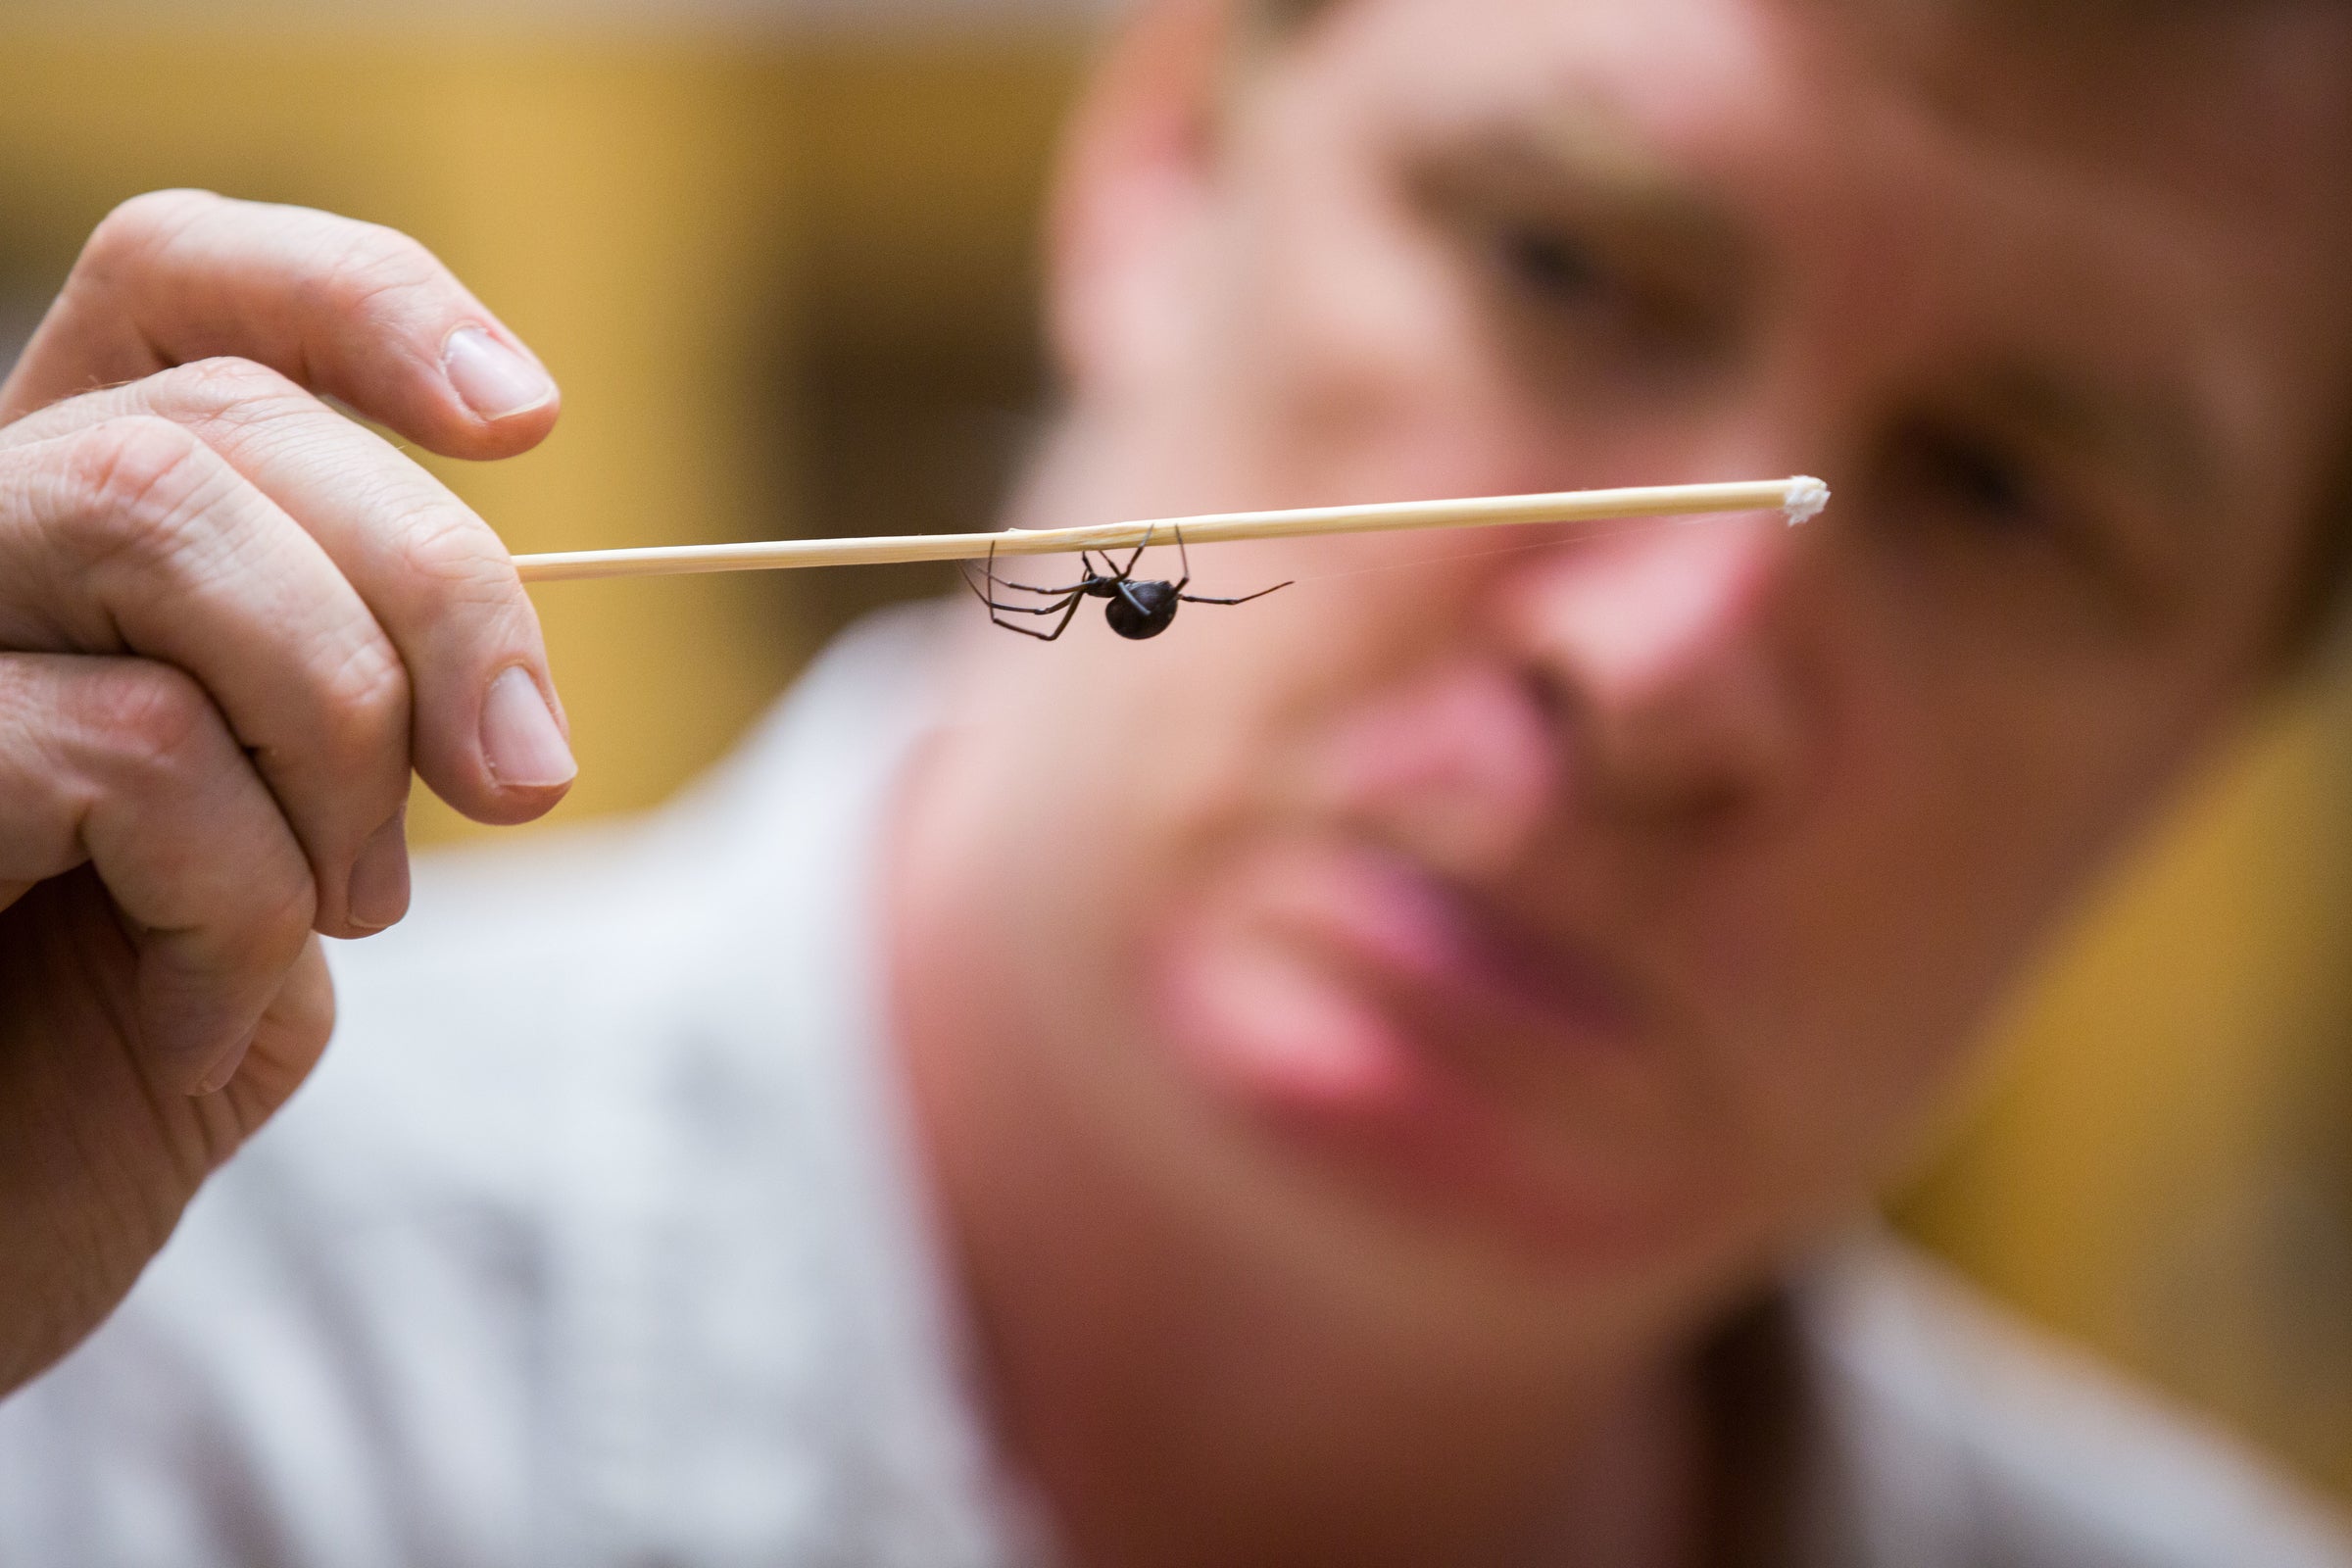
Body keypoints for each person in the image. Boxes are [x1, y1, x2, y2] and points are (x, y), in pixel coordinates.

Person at [2, 0, 2350, 1560]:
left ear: (2217, 737)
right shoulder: (112, 1331)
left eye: (2011, 498)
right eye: (1565, 262)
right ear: (1148, 167)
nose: (1656, 673)